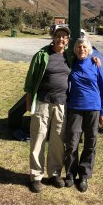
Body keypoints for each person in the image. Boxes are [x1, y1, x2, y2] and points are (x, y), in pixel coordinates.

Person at [24, 26, 72, 193]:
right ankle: (36, 176)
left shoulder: (69, 56)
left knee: (58, 140)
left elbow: (86, 52)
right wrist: (29, 102)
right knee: (38, 138)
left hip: (62, 103)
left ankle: (54, 173)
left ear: (68, 40)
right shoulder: (41, 55)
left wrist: (95, 60)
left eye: (64, 37)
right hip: (43, 102)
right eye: (58, 36)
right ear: (53, 37)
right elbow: (30, 81)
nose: (61, 39)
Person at [64, 38, 103, 193]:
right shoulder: (71, 64)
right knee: (71, 142)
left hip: (93, 108)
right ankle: (70, 173)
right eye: (79, 47)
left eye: (84, 47)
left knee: (90, 143)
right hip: (75, 107)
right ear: (75, 50)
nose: (81, 49)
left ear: (89, 50)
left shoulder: (95, 64)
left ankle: (83, 175)